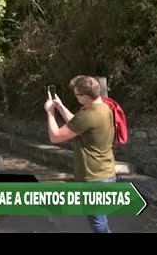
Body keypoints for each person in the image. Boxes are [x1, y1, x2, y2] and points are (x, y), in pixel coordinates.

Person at [44, 75, 116, 233]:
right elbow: (77, 124)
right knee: (100, 219)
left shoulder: (88, 115)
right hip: (106, 173)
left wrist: (50, 112)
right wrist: (60, 106)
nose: (75, 97)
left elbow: (55, 136)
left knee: (98, 224)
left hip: (93, 178)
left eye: (76, 95)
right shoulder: (104, 108)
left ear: (85, 96)